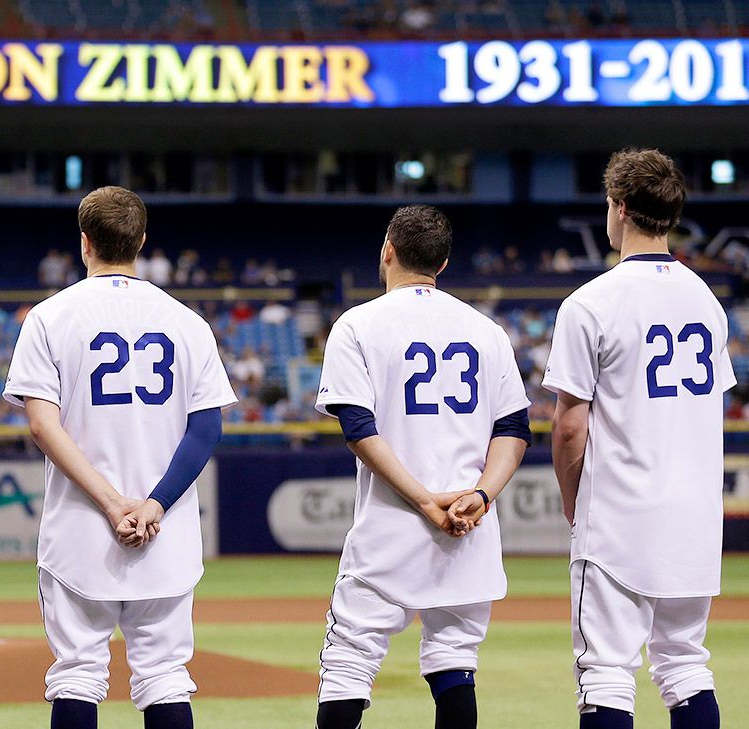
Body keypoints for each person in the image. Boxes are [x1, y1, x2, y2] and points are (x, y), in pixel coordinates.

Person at [3, 186, 237, 729]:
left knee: (77, 674)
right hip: (166, 531)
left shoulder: (49, 317)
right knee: (164, 676)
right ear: (142, 241)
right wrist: (153, 505)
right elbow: (207, 429)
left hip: (82, 528)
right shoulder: (185, 320)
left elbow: (42, 424)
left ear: (84, 243)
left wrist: (112, 503)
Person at [312, 205, 531, 729]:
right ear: (444, 262)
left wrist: (423, 500)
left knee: (349, 663)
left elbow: (358, 428)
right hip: (468, 527)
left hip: (392, 525)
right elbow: (515, 431)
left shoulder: (357, 324)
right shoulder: (487, 330)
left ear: (387, 251)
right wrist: (478, 496)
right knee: (455, 661)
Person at [544, 149, 730, 729]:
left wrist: (573, 499)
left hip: (622, 514)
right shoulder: (707, 299)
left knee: (605, 670)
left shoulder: (591, 302)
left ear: (620, 208)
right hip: (695, 516)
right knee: (685, 664)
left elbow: (570, 425)